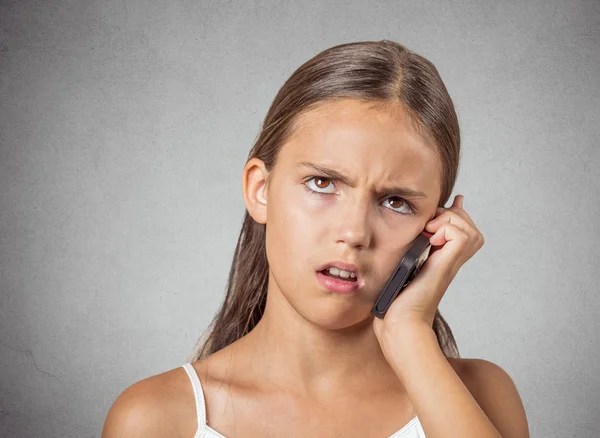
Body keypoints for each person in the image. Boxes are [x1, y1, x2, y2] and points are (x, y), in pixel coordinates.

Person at [102, 40, 529, 437]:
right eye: (322, 183)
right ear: (260, 190)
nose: (354, 233)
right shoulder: (157, 418)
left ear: (434, 231)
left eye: (396, 202)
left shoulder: (481, 398)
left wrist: (408, 337)